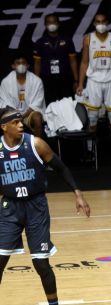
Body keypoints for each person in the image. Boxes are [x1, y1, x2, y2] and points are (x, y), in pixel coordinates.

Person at [0, 107, 91, 305]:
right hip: (10, 209)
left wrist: (78, 194)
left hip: (36, 207)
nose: (21, 125)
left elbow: (61, 168)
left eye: (21, 121)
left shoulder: (36, 144)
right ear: (4, 127)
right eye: (15, 123)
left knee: (41, 263)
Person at [76, 13, 111, 161]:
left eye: (103, 21)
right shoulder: (88, 38)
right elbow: (84, 62)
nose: (101, 24)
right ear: (94, 23)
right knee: (92, 118)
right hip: (94, 82)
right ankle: (89, 151)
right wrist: (81, 83)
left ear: (107, 22)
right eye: (98, 22)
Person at [33, 14, 79, 105]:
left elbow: (73, 61)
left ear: (58, 24)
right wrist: (36, 82)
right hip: (47, 79)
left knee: (68, 105)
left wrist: (76, 80)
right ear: (45, 25)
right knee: (50, 105)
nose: (51, 24)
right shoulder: (40, 42)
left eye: (54, 22)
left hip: (65, 78)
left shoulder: (67, 40)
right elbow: (37, 63)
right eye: (49, 22)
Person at [0, 54, 45, 137]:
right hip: (12, 112)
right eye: (18, 63)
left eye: (23, 63)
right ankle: (8, 147)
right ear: (13, 66)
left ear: (27, 66)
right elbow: (4, 102)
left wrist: (23, 116)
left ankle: (36, 146)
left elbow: (37, 103)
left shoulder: (37, 81)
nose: (21, 65)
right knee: (4, 115)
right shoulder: (5, 82)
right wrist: (15, 115)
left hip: (29, 114)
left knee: (37, 118)